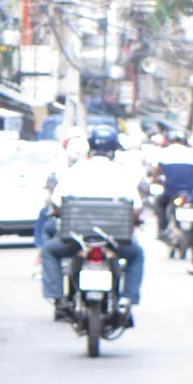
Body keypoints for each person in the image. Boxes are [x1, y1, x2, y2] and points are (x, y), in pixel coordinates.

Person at [41, 124, 144, 323]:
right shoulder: (123, 173)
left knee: (49, 250)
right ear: (114, 149)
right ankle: (127, 299)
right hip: (115, 240)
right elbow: (137, 207)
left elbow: (56, 201)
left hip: (77, 239)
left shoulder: (75, 171)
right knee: (136, 254)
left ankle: (59, 299)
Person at [152, 129, 193, 238]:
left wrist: (154, 180)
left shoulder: (164, 152)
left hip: (171, 191)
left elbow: (157, 172)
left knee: (159, 204)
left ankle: (162, 228)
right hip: (189, 191)